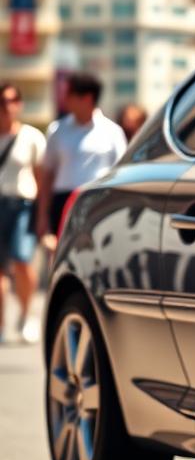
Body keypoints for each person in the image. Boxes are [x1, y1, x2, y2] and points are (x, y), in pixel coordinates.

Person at [36, 73, 126, 248]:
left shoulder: (112, 132)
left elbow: (122, 173)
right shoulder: (57, 130)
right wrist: (42, 216)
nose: (65, 98)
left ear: (87, 98)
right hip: (63, 202)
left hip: (99, 201)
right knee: (62, 254)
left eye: (70, 94)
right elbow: (47, 175)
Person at [0, 83, 45, 343]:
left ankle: (26, 316)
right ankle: (2, 323)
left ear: (20, 104)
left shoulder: (31, 137)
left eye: (13, 100)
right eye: (3, 101)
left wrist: (42, 216)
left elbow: (41, 178)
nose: (7, 106)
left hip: (23, 206)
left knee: (22, 262)